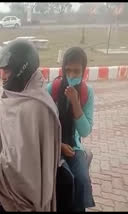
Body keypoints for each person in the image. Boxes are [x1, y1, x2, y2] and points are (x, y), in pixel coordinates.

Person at [0, 39, 61, 211]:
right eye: (1, 70)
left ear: (21, 70)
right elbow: (11, 131)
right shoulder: (18, 95)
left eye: (7, 70)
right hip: (9, 187)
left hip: (24, 199)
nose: (2, 75)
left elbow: (27, 163)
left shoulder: (37, 107)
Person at [46, 47, 95, 211]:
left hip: (74, 146)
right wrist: (58, 145)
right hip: (51, 144)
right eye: (68, 70)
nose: (72, 75)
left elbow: (85, 131)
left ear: (84, 71)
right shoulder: (51, 89)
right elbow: (41, 124)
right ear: (63, 69)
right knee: (62, 181)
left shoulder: (86, 93)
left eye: (77, 71)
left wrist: (75, 102)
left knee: (81, 179)